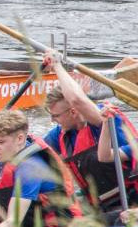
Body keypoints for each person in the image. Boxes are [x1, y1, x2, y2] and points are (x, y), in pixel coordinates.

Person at [42, 50, 138, 212]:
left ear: (73, 112)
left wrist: (57, 65)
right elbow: (29, 150)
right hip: (101, 206)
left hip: (131, 202)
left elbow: (77, 100)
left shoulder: (104, 118)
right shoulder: (61, 134)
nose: (53, 121)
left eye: (55, 116)